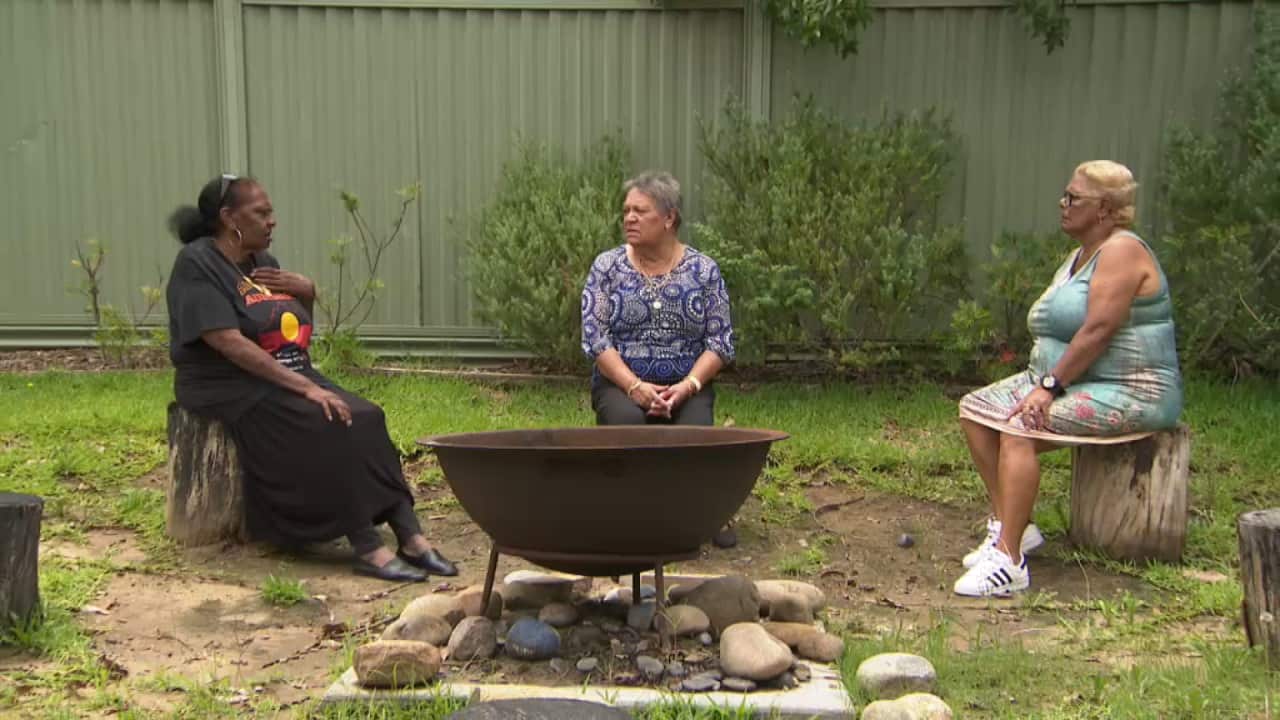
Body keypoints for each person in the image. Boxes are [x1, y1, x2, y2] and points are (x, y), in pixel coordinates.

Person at [165, 174, 458, 583]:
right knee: (327, 420)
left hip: (284, 367)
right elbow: (227, 342)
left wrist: (306, 293)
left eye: (272, 213)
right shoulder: (199, 263)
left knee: (368, 415)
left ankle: (411, 537)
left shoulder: (263, 266)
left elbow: (294, 332)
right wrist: (306, 387)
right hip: (225, 382)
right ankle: (367, 545)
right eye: (261, 213)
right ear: (229, 217)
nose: (272, 222)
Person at [954, 160, 1183, 598]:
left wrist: (1049, 387)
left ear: (1105, 209)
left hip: (1131, 391)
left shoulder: (1123, 250)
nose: (1063, 204)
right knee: (977, 412)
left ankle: (1010, 562)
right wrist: (1044, 380)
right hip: (1078, 381)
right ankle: (1013, 526)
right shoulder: (1080, 255)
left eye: (1073, 198)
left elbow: (1098, 330)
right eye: (1065, 195)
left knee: (1020, 429)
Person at [580, 171, 735, 425]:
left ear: (669, 218)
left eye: (640, 211)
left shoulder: (704, 270)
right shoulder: (607, 267)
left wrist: (688, 386)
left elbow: (720, 342)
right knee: (628, 426)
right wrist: (635, 387)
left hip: (688, 386)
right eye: (626, 211)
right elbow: (595, 338)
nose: (629, 218)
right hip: (621, 386)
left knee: (692, 440)